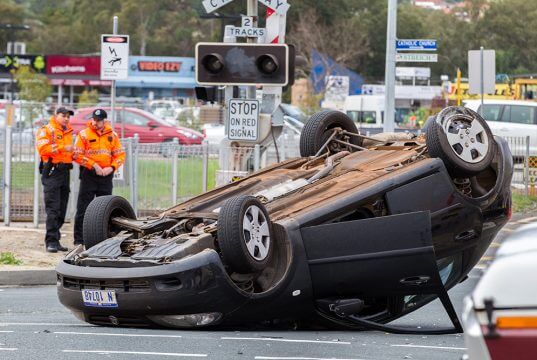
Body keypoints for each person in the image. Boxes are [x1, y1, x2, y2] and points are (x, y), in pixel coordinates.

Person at [72, 109, 125, 246]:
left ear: (104, 121)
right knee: (83, 207)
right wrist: (93, 165)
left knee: (106, 208)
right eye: (94, 119)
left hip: (106, 175)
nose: (96, 122)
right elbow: (77, 155)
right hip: (89, 174)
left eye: (99, 120)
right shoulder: (83, 134)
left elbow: (120, 155)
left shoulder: (112, 135)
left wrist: (111, 167)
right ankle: (79, 239)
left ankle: (105, 238)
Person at [36, 107, 74, 253]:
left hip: (65, 172)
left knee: (62, 210)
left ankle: (56, 239)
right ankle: (50, 241)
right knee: (53, 208)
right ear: (56, 115)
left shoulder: (68, 132)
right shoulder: (47, 130)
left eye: (68, 116)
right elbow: (43, 149)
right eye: (63, 115)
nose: (66, 118)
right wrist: (64, 147)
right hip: (52, 171)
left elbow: (71, 152)